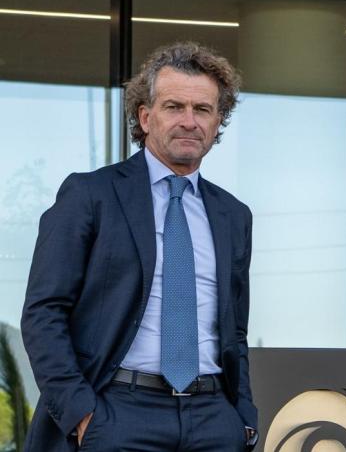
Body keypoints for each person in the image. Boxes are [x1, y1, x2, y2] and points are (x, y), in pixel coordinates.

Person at [22, 42, 258, 451]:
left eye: (202, 109)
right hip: (117, 414)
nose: (189, 121)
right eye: (174, 107)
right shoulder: (90, 195)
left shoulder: (233, 215)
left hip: (213, 419)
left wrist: (243, 418)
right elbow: (44, 313)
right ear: (145, 117)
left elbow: (235, 330)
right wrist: (81, 414)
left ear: (218, 121)